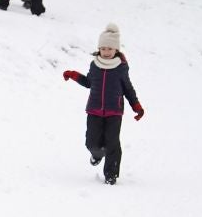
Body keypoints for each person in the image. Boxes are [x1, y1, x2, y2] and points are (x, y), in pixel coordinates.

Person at [62, 22, 145, 185]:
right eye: (103, 48)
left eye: (110, 48)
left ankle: (111, 174)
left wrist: (137, 106)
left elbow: (128, 88)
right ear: (99, 49)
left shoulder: (121, 68)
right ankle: (97, 154)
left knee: (112, 143)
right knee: (91, 142)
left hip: (114, 111)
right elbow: (89, 83)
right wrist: (73, 75)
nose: (106, 52)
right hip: (94, 110)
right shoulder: (95, 65)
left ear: (116, 50)